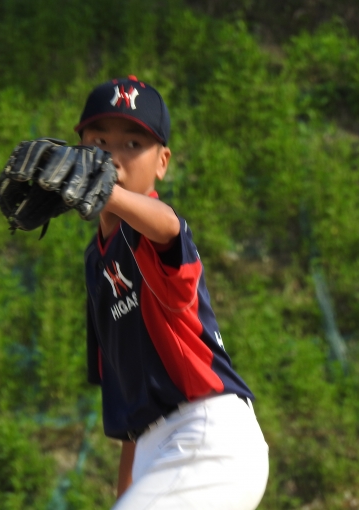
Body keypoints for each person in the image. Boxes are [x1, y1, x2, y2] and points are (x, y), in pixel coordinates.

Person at [76, 75, 269, 510]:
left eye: (133, 144)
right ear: (78, 150)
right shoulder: (96, 262)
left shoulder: (151, 234)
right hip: (160, 450)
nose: (113, 156)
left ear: (162, 162)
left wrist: (107, 193)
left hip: (205, 437)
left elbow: (167, 225)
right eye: (100, 141)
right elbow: (130, 406)